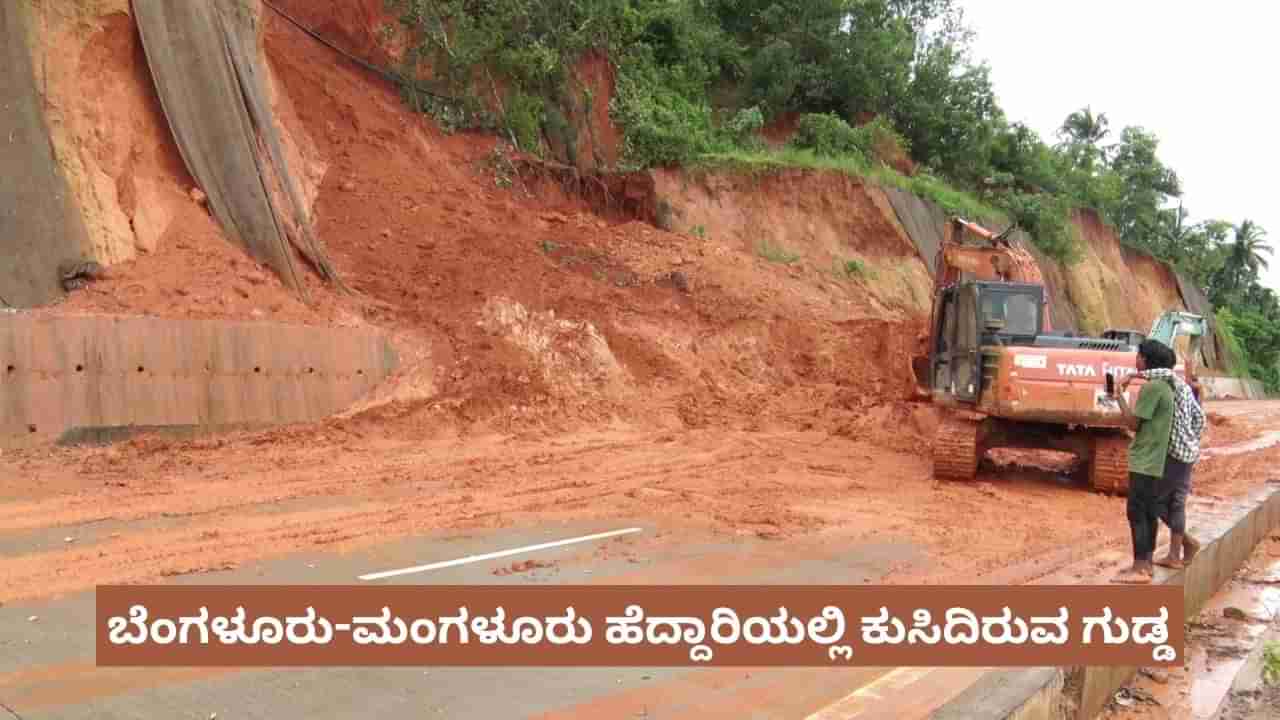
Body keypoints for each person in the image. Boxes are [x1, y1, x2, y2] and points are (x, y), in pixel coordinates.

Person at [1109, 339, 1178, 584]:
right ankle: (1146, 564)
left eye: (1139, 355)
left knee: (1136, 512)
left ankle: (1139, 567)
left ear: (1147, 360)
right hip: (1156, 460)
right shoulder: (1166, 387)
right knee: (1149, 512)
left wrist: (1119, 397)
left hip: (1144, 460)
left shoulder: (1152, 389)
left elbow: (1133, 424)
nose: (1136, 359)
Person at [1140, 352, 1206, 569]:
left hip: (1176, 455)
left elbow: (1163, 372)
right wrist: (1192, 439)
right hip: (1187, 454)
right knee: (1176, 502)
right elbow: (1200, 418)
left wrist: (1132, 375)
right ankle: (1178, 552)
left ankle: (1182, 547)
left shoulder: (1174, 385)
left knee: (1157, 501)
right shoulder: (1186, 389)